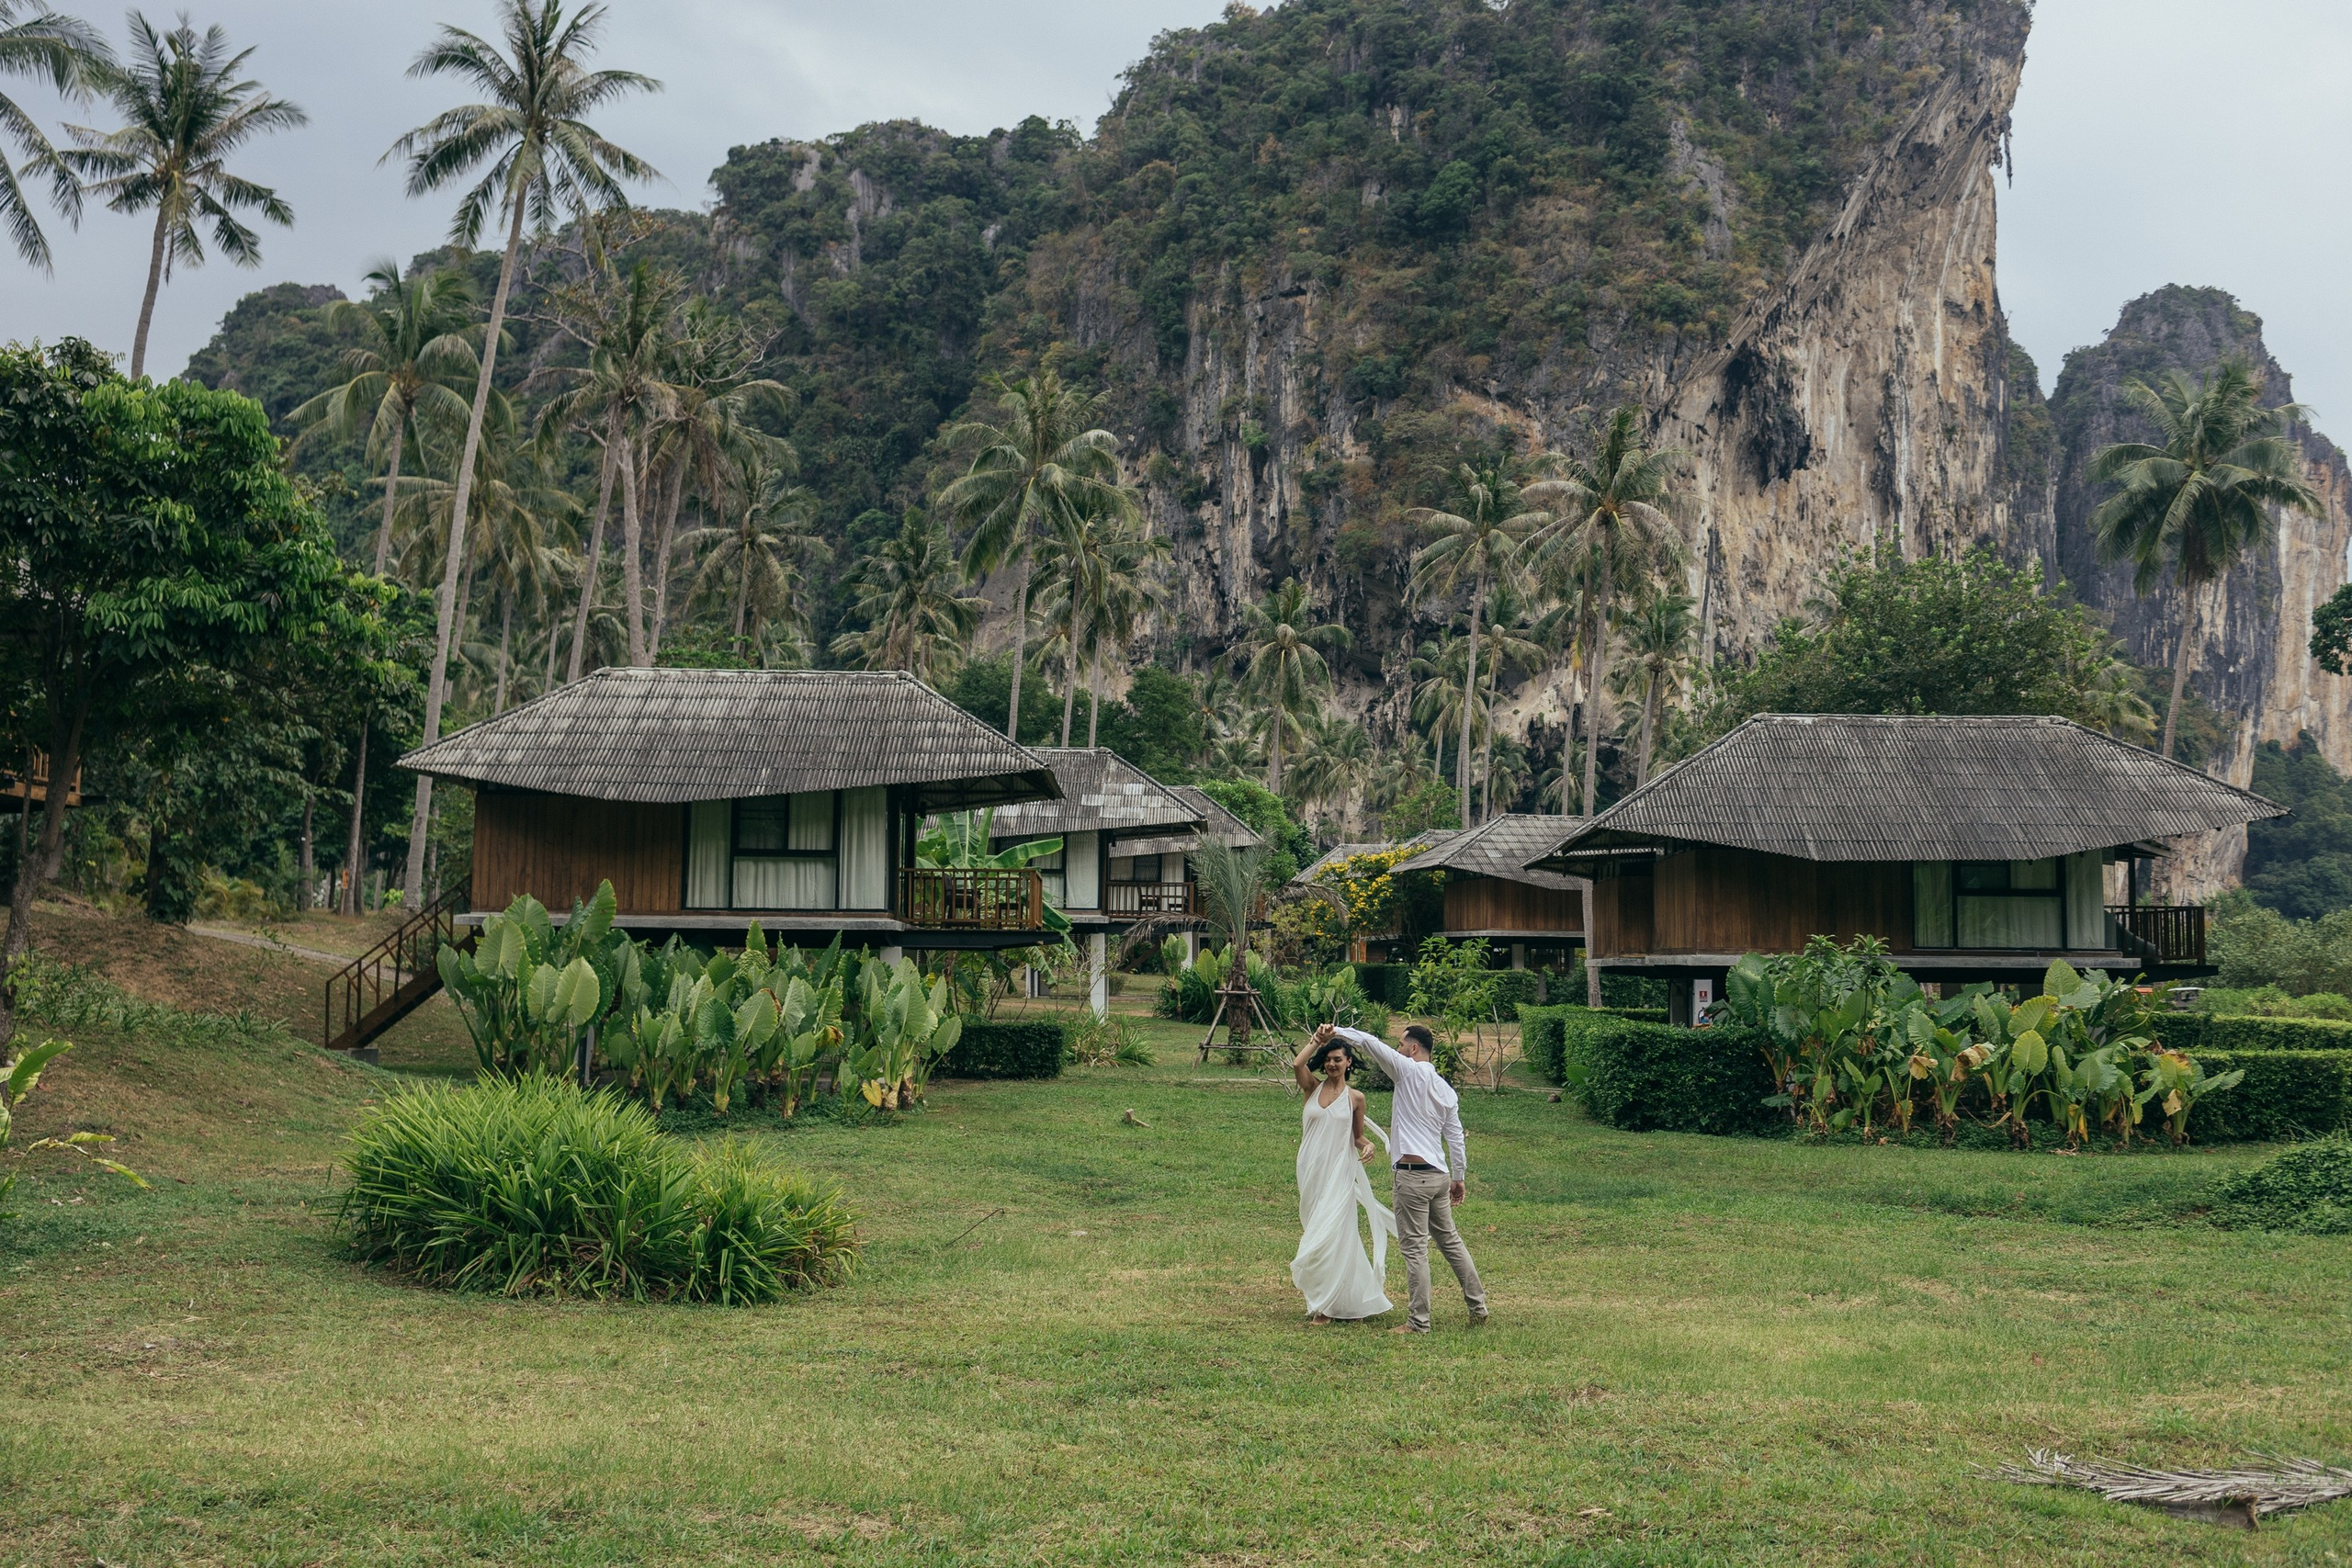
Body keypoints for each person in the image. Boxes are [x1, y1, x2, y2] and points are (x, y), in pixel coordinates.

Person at [1317, 1020, 1487, 1335]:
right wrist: (1458, 1176)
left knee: (1415, 1250)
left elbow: (1368, 1042)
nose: (1396, 1049)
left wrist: (1334, 1032)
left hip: (1412, 1178)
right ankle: (1478, 1306)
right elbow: (1455, 1138)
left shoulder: (1407, 1070)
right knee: (1451, 1242)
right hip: (1438, 1175)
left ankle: (1418, 1322)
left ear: (1413, 1048)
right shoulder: (1446, 1090)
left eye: (1400, 1045)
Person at [1287, 1032, 1396, 1323]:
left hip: (1340, 1170)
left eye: (1338, 1059)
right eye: (1328, 1060)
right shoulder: (1311, 1088)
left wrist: (1369, 1144)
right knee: (1316, 1228)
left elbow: (1357, 1137)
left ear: (1349, 1062)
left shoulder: (1356, 1098)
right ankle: (1345, 1300)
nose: (1332, 1064)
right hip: (1310, 1169)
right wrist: (1316, 1042)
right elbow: (1298, 1065)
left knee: (1334, 1234)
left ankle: (1326, 1306)